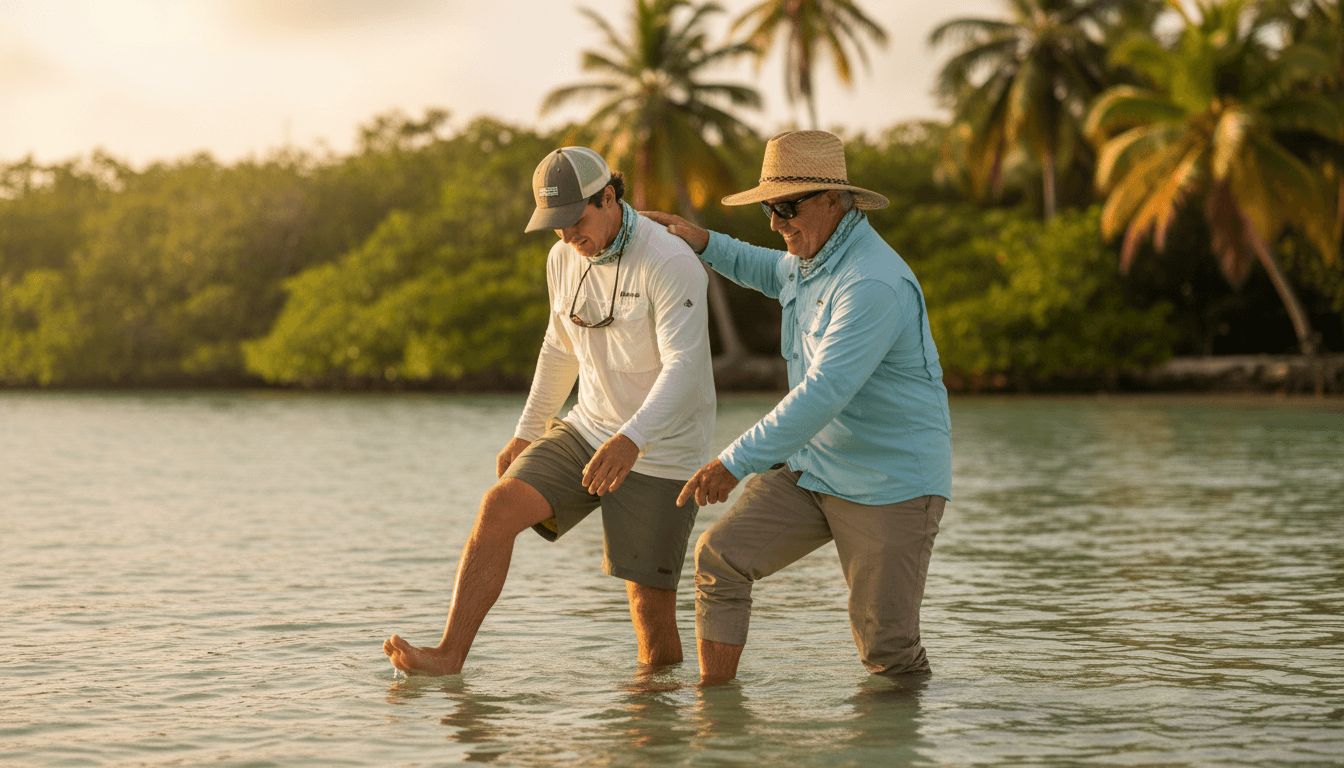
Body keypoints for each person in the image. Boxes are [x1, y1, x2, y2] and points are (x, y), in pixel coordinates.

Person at [384, 147, 716, 675]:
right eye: (555, 227)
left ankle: (657, 736)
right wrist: (527, 430)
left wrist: (632, 439)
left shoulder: (670, 260)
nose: (568, 237)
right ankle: (448, 656)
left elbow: (686, 368)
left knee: (648, 612)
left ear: (609, 197)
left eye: (576, 221)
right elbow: (559, 348)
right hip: (588, 427)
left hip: (662, 446)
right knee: (497, 507)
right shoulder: (562, 258)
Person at [643, 130, 952, 684]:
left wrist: (732, 462)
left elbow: (823, 393)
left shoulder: (872, 283)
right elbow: (767, 268)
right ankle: (715, 712)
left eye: (786, 207)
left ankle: (895, 746)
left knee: (888, 650)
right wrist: (701, 240)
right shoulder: (812, 259)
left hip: (891, 483)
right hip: (816, 469)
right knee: (721, 558)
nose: (775, 222)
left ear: (833, 200)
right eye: (769, 208)